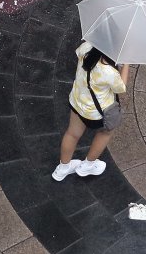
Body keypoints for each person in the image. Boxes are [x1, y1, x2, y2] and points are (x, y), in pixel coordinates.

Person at [52, 42, 130, 181]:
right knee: (105, 133)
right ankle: (87, 166)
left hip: (77, 101)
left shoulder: (86, 48)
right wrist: (127, 64)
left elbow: (80, 55)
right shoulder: (109, 72)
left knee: (72, 133)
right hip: (95, 113)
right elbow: (121, 88)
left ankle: (62, 169)